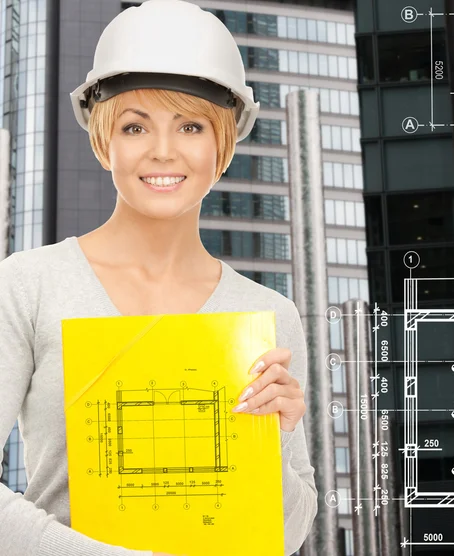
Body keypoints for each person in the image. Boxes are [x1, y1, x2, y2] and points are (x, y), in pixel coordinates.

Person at [0, 1, 318, 554]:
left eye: (191, 125)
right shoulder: (29, 286)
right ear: (104, 142)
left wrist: (275, 441)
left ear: (222, 144)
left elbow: (287, 536)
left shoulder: (269, 313)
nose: (164, 151)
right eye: (134, 126)